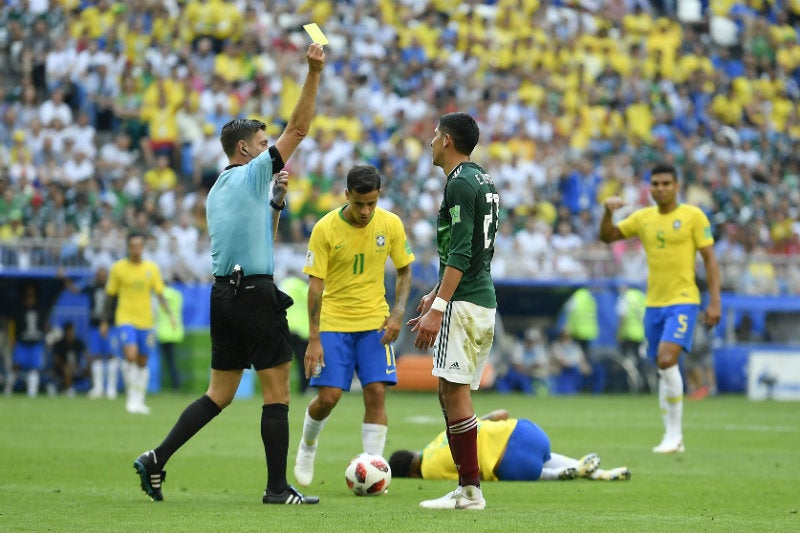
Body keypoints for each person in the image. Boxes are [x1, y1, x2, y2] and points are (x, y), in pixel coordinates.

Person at [132, 43, 325, 505]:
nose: (269, 150)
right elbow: (298, 128)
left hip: (225, 295)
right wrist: (313, 74)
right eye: (262, 145)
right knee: (277, 392)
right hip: (256, 295)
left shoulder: (220, 187)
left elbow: (265, 235)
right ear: (245, 149)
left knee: (218, 393)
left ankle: (156, 458)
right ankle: (277, 489)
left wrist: (276, 201)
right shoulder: (251, 173)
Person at [293, 165, 415, 487]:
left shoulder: (390, 224)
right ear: (346, 195)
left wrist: (398, 313)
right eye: (359, 203)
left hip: (375, 321)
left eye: (371, 204)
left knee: (376, 392)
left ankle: (374, 471)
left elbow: (404, 270)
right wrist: (314, 338)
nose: (365, 211)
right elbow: (315, 287)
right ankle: (307, 445)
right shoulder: (325, 229)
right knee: (329, 397)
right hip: (334, 322)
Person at [407, 112, 499, 510]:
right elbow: (471, 251)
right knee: (449, 390)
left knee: (454, 392)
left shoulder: (460, 182)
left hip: (464, 304)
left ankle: (470, 491)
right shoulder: (482, 179)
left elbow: (461, 251)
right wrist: (434, 293)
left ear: (446, 139)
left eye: (433, 136)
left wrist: (439, 307)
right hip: (477, 297)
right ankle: (466, 487)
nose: (429, 142)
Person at [600, 161, 721, 454]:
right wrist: (608, 212)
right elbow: (608, 237)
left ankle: (675, 435)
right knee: (662, 366)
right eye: (656, 184)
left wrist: (715, 301)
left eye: (666, 183)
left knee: (667, 359)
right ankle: (670, 436)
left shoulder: (693, 216)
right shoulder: (643, 218)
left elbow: (710, 259)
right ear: (650, 188)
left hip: (684, 299)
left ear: (677, 186)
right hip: (653, 302)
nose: (661, 188)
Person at [388, 409, 631, 482]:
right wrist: (493, 416)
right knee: (545, 455)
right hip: (526, 430)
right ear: (413, 452)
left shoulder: (429, 471)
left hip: (514, 463)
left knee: (534, 469)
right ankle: (599, 473)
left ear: (411, 474)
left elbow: (474, 477)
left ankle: (557, 475)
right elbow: (482, 420)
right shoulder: (435, 440)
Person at [102, 232, 175, 415]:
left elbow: (159, 293)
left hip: (146, 321)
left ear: (143, 247)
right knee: (131, 355)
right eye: (133, 246)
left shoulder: (151, 268)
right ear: (128, 247)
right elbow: (110, 296)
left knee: (143, 361)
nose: (136, 249)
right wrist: (104, 320)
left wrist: (170, 314)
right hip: (125, 317)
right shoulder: (118, 268)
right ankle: (131, 398)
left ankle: (139, 400)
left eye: (139, 246)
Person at [278, 268, 311, 394]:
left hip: (285, 328)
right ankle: (304, 389)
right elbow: (316, 296)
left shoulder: (282, 286)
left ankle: (279, 389)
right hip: (301, 329)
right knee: (304, 362)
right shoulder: (300, 285)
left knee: (282, 362)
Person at [156, 278, 185, 392]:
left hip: (163, 332)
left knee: (166, 361)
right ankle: (176, 384)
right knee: (172, 360)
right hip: (175, 331)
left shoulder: (161, 294)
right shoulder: (177, 295)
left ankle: (174, 385)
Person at [51, 321, 89, 397]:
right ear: (65, 332)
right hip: (63, 369)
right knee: (67, 368)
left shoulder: (78, 342)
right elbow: (56, 358)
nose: (70, 333)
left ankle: (94, 389)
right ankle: (69, 390)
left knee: (92, 368)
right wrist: (64, 365)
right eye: (68, 331)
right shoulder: (60, 344)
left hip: (76, 367)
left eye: (72, 331)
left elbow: (86, 355)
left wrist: (88, 364)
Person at [685, 311, 717, 400]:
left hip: (696, 342)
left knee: (692, 366)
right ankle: (709, 389)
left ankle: (700, 388)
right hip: (703, 341)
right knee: (706, 365)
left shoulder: (691, 311)